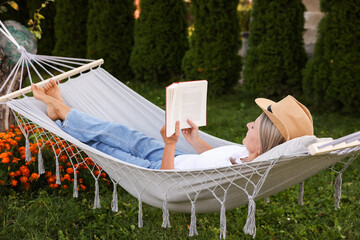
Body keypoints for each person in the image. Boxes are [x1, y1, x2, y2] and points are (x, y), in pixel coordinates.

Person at [31, 80, 314, 170]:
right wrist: (193, 139)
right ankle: (64, 112)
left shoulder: (242, 170)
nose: (249, 123)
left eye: (255, 127)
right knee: (120, 132)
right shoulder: (247, 154)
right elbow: (207, 157)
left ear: (264, 141)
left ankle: (62, 112)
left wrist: (169, 144)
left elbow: (168, 181)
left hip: (162, 168)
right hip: (181, 155)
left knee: (108, 148)